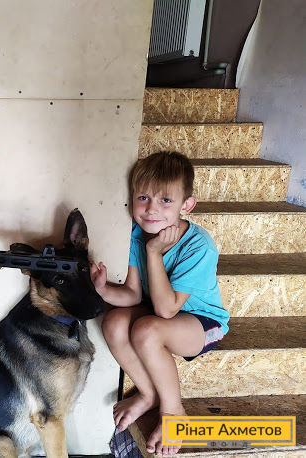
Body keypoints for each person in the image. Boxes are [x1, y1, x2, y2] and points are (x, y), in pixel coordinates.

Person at [91, 152, 229, 456]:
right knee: (114, 321)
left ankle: (173, 411)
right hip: (159, 314)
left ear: (186, 205)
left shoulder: (198, 245)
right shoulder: (135, 234)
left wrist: (154, 253)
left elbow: (168, 310)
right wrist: (102, 289)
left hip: (202, 322)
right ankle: (149, 394)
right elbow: (132, 295)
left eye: (166, 200)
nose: (152, 209)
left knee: (147, 330)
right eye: (143, 198)